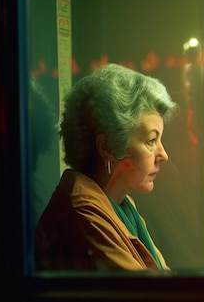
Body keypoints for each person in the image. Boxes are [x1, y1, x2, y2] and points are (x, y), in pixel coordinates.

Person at [35, 63, 179, 271]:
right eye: (150, 141)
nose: (163, 155)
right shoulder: (85, 216)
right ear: (107, 147)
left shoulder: (122, 204)